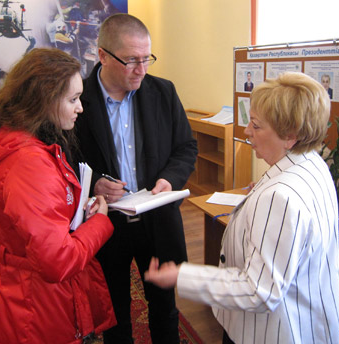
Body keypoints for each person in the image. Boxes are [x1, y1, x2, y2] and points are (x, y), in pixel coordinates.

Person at [145, 72, 339, 344]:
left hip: (278, 332)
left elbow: (258, 291)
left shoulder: (281, 196)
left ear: (290, 135)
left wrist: (183, 275)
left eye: (256, 125)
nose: (247, 131)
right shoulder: (313, 163)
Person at [0, 48, 116, 344]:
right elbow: (57, 261)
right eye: (73, 99)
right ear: (43, 101)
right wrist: (99, 223)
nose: (80, 108)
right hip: (34, 308)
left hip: (26, 294)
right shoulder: (29, 164)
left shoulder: (29, 143)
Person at [73, 13, 198, 344]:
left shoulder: (163, 92)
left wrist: (170, 179)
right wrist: (94, 181)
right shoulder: (77, 99)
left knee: (163, 307)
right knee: (113, 311)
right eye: (131, 61)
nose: (141, 70)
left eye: (146, 59)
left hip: (156, 219)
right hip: (104, 224)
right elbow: (66, 162)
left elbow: (186, 147)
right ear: (102, 55)